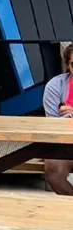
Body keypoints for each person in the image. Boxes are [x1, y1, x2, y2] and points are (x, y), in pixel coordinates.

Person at [42, 43, 73, 195]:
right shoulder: (55, 86)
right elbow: (52, 125)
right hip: (64, 144)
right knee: (54, 172)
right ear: (68, 65)